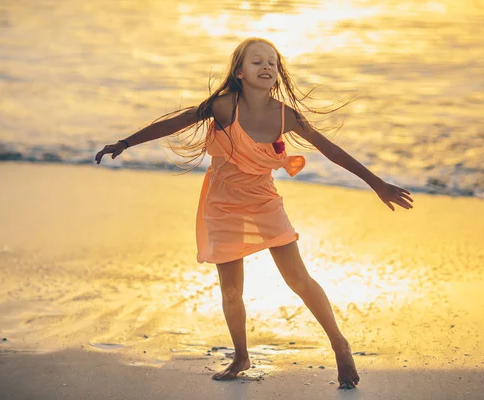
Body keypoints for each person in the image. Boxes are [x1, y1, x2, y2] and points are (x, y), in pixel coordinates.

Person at [95, 37, 414, 389]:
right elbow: (175, 122)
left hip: (264, 202)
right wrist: (125, 143)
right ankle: (241, 356)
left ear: (278, 74)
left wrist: (377, 183)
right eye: (257, 62)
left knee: (298, 280)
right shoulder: (223, 106)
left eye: (272, 64)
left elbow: (331, 150)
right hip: (222, 204)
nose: (266, 67)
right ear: (239, 71)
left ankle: (340, 345)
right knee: (231, 292)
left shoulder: (285, 115)